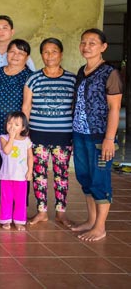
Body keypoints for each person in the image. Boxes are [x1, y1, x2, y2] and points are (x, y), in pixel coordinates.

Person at [71, 29, 123, 242]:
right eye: (84, 42)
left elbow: (114, 108)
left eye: (92, 43)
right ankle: (91, 220)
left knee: (100, 179)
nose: (87, 46)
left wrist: (109, 139)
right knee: (85, 177)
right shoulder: (82, 70)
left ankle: (100, 227)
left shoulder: (110, 73)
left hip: (100, 137)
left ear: (103, 47)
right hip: (80, 134)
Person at [21, 38, 76, 227]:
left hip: (63, 135)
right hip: (38, 135)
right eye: (45, 52)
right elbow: (26, 107)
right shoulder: (34, 78)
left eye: (54, 51)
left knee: (62, 175)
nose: (49, 56)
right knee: (39, 174)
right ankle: (41, 211)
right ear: (41, 55)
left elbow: (76, 109)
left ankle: (61, 212)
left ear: (61, 54)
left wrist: (75, 136)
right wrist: (24, 133)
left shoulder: (72, 80)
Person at [0, 39, 33, 212]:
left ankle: (19, 203)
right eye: (12, 51)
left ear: (27, 57)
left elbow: (27, 105)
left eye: (21, 53)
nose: (15, 56)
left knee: (18, 164)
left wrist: (22, 130)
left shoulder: (29, 77)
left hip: (15, 129)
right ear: (6, 54)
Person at [0, 112, 33, 231]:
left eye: (16, 124)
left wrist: (30, 171)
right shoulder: (3, 138)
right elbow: (7, 150)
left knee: (20, 200)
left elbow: (30, 157)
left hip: (21, 176)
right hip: (6, 175)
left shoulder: (26, 141)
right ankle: (6, 220)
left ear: (23, 127)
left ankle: (19, 221)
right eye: (9, 123)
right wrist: (12, 137)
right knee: (6, 199)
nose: (12, 126)